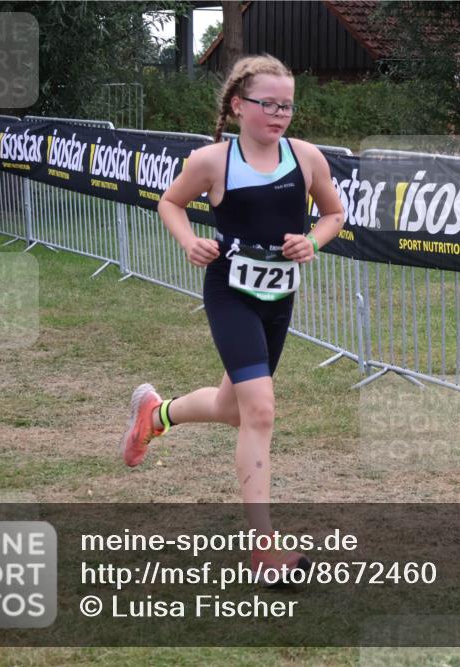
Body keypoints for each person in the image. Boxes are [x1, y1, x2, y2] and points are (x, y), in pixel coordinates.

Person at [119, 54, 345, 582]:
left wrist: (312, 240)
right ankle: (263, 549)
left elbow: (334, 214)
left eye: (287, 105)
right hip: (230, 293)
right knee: (260, 411)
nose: (279, 114)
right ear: (239, 105)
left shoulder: (307, 158)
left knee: (232, 407)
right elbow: (170, 203)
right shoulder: (212, 161)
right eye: (268, 104)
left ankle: (157, 413)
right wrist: (189, 240)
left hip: (278, 297)